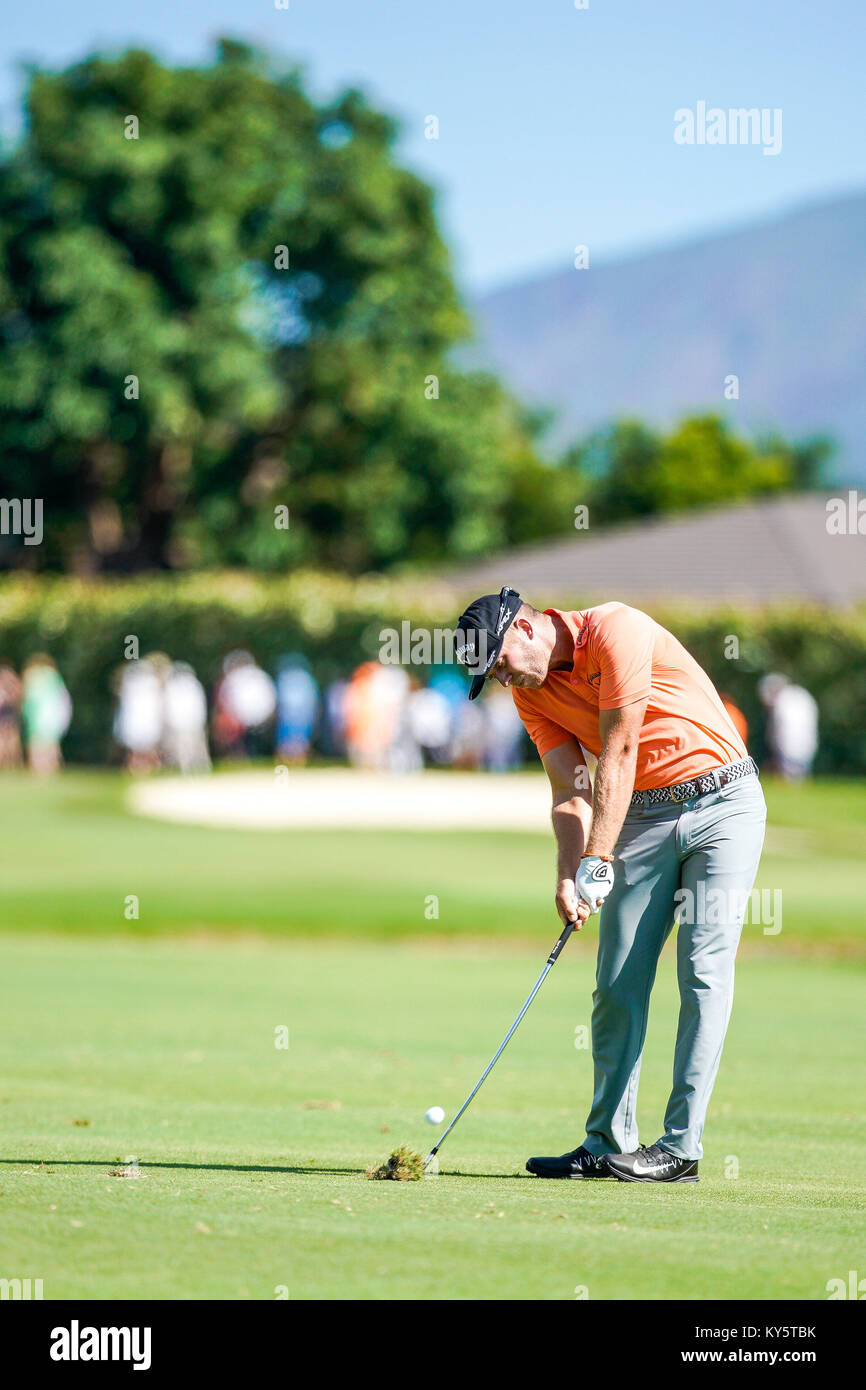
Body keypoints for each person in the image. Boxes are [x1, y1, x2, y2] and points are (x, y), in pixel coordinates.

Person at [455, 587, 766, 1184]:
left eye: (498, 664)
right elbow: (569, 789)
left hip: (724, 802)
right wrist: (570, 874)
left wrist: (599, 859)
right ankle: (607, 1143)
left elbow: (619, 749)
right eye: (489, 676)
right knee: (617, 979)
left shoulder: (615, 629)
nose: (502, 680)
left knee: (702, 970)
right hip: (643, 816)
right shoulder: (532, 695)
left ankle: (680, 1149)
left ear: (523, 629)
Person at [758, 673, 819, 781]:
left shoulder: (781, 702)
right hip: (808, 743)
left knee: (789, 777)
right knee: (801, 776)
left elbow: (778, 730)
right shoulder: (802, 695)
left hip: (788, 745)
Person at [20, 654, 73, 775]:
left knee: (38, 743)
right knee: (49, 743)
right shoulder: (53, 677)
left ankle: (40, 768)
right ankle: (49, 767)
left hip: (40, 716)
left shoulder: (37, 676)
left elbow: (30, 696)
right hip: (51, 717)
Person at [162, 661, 211, 773]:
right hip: (184, 723)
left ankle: (199, 767)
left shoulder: (189, 685)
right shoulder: (177, 686)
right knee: (184, 749)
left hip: (188, 723)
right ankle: (189, 769)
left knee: (194, 748)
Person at [275, 655, 319, 765]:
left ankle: (287, 762)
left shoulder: (284, 677)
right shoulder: (306, 678)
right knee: (299, 740)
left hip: (290, 715)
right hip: (301, 715)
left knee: (287, 740)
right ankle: (297, 762)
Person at [0, 665, 23, 769]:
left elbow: (18, 700)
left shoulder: (14, 686)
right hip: (4, 716)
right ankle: (7, 763)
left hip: (9, 716)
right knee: (4, 740)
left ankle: (13, 763)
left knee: (11, 739)